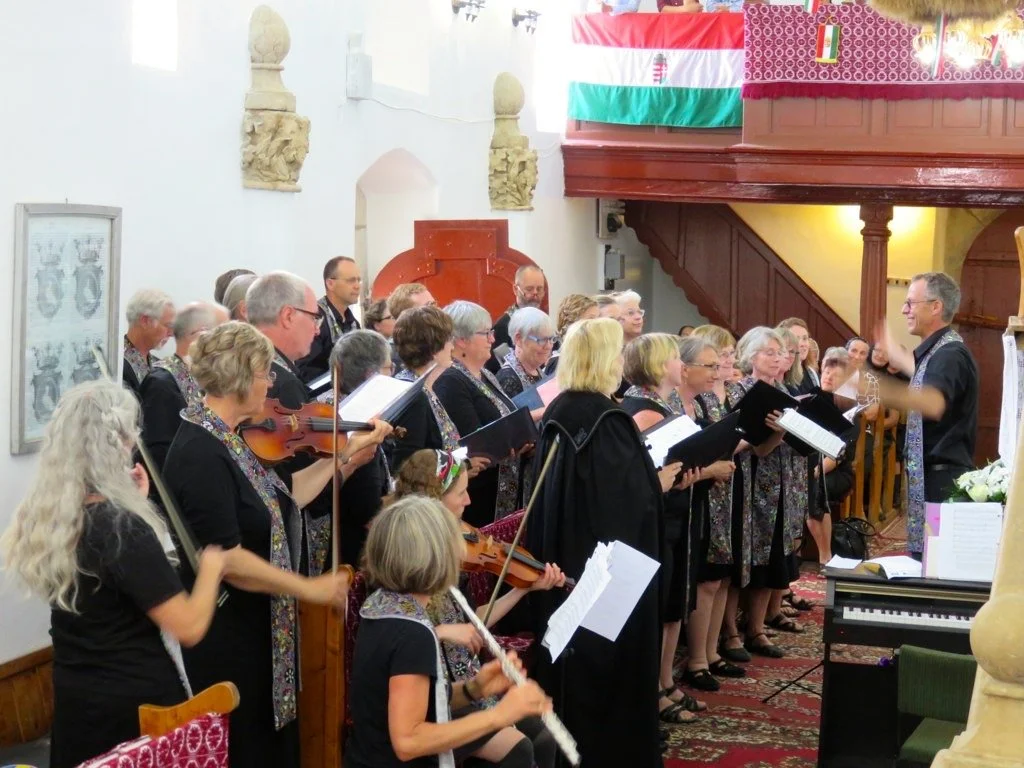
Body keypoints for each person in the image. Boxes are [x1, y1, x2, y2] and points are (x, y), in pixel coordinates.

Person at [163, 322, 390, 768]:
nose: (270, 384)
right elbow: (225, 558)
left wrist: (345, 454)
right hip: (233, 637)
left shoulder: (233, 437)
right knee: (250, 751)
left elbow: (291, 495)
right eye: (265, 373)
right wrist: (307, 588)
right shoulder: (198, 452)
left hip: (265, 630)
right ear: (241, 375)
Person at [0, 379, 227, 768]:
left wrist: (133, 504)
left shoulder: (56, 515)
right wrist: (211, 569)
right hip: (133, 707)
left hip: (79, 697)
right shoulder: (120, 529)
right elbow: (188, 626)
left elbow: (108, 580)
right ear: (118, 444)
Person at [524, 318, 664, 768]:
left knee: (574, 666)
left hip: (564, 559)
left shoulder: (562, 410)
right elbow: (629, 505)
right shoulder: (607, 420)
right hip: (608, 573)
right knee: (609, 668)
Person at [346, 495, 551, 768]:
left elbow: (421, 701)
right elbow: (408, 740)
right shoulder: (412, 633)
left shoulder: (384, 606)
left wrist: (473, 688)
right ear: (433, 557)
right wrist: (498, 716)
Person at [389, 450, 564, 767]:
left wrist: (522, 590)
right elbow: (396, 630)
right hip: (430, 695)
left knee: (544, 732)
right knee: (520, 748)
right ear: (433, 501)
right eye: (460, 493)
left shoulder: (451, 548)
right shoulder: (403, 558)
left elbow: (473, 622)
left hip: (463, 681)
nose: (468, 501)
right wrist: (439, 631)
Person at [619, 334, 710, 721]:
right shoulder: (642, 411)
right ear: (659, 366)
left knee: (674, 603)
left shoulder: (663, 405)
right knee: (660, 606)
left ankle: (665, 682)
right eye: (675, 356)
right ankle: (651, 691)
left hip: (676, 512)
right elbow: (642, 477)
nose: (681, 363)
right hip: (659, 518)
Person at [874, 271, 979, 558]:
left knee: (933, 567)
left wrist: (872, 387)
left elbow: (933, 403)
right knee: (929, 562)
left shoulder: (949, 355)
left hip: (941, 484)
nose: (903, 309)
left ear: (936, 306)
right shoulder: (941, 351)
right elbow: (927, 377)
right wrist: (899, 357)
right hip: (935, 478)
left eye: (910, 303)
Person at [435, 301, 523, 525]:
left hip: (501, 488)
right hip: (477, 495)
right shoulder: (451, 380)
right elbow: (474, 441)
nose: (493, 339)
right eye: (486, 334)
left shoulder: (484, 373)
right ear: (462, 340)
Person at [323, 330, 396, 566]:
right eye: (388, 368)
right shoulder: (357, 422)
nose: (393, 374)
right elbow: (368, 512)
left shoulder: (325, 406)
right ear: (371, 375)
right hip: (353, 555)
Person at [140, 301, 229, 470]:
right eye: (224, 334)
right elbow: (160, 456)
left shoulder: (204, 377)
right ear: (201, 334)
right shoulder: (161, 384)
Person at [807, 348, 860, 566]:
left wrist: (816, 471)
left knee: (816, 487)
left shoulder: (849, 409)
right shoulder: (810, 399)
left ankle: (824, 555)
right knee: (807, 487)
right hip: (808, 464)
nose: (827, 376)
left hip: (836, 471)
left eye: (834, 374)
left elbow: (839, 454)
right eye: (825, 371)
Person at [297, 256, 363, 383]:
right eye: (351, 280)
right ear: (330, 283)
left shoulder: (353, 322)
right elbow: (306, 370)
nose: (357, 286)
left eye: (358, 280)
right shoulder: (315, 319)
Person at [488, 265, 547, 374]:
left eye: (539, 289)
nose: (535, 294)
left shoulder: (545, 323)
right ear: (515, 289)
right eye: (529, 289)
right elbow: (498, 370)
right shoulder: (503, 327)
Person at [495, 307, 556, 406]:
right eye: (541, 340)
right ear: (518, 339)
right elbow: (515, 420)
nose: (549, 346)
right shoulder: (508, 379)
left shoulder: (535, 369)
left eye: (551, 339)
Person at [123, 288, 175, 397]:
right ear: (145, 321)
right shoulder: (117, 367)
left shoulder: (158, 365)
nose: (171, 333)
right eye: (168, 326)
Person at [543, 294, 599, 376]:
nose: (599, 324)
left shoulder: (592, 357)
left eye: (599, 319)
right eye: (591, 319)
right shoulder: (559, 363)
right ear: (573, 323)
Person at [777, 317, 819, 391]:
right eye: (796, 338)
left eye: (805, 338)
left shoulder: (811, 373)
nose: (802, 344)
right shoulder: (779, 372)